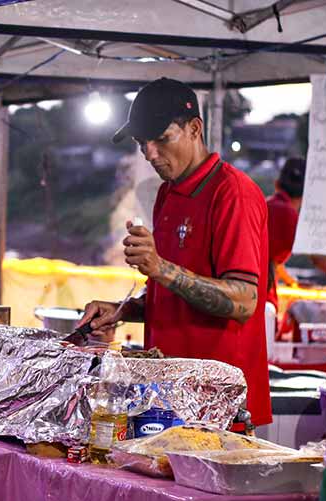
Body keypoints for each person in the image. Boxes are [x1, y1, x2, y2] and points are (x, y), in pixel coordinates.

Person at [79, 78, 271, 427]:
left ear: (195, 128)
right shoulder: (169, 194)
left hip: (218, 408)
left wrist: (160, 268)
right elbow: (173, 291)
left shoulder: (233, 193)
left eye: (162, 139)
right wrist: (123, 310)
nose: (151, 153)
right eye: (142, 143)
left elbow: (245, 301)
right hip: (166, 401)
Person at [265, 158, 305, 310]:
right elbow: (318, 260)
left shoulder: (265, 205)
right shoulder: (290, 215)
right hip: (263, 294)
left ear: (277, 184)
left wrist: (289, 280)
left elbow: (274, 261)